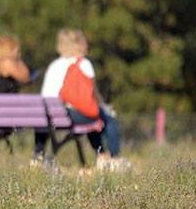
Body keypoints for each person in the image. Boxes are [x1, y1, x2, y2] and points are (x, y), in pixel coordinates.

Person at [34, 28, 127, 170]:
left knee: (94, 117)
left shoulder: (54, 65)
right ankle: (113, 158)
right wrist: (105, 107)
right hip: (71, 114)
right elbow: (92, 95)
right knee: (106, 117)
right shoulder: (84, 64)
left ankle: (37, 157)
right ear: (79, 44)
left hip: (50, 115)